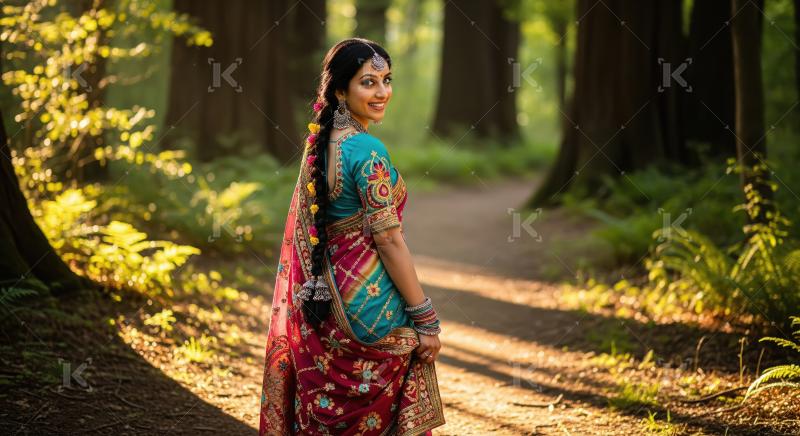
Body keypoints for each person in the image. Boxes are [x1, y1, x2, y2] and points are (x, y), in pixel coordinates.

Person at [258, 38, 445, 435]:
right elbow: (389, 240)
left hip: (323, 304)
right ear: (341, 90)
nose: (382, 92)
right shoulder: (367, 150)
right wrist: (425, 318)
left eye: (387, 79)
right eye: (368, 82)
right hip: (370, 310)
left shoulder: (319, 145)